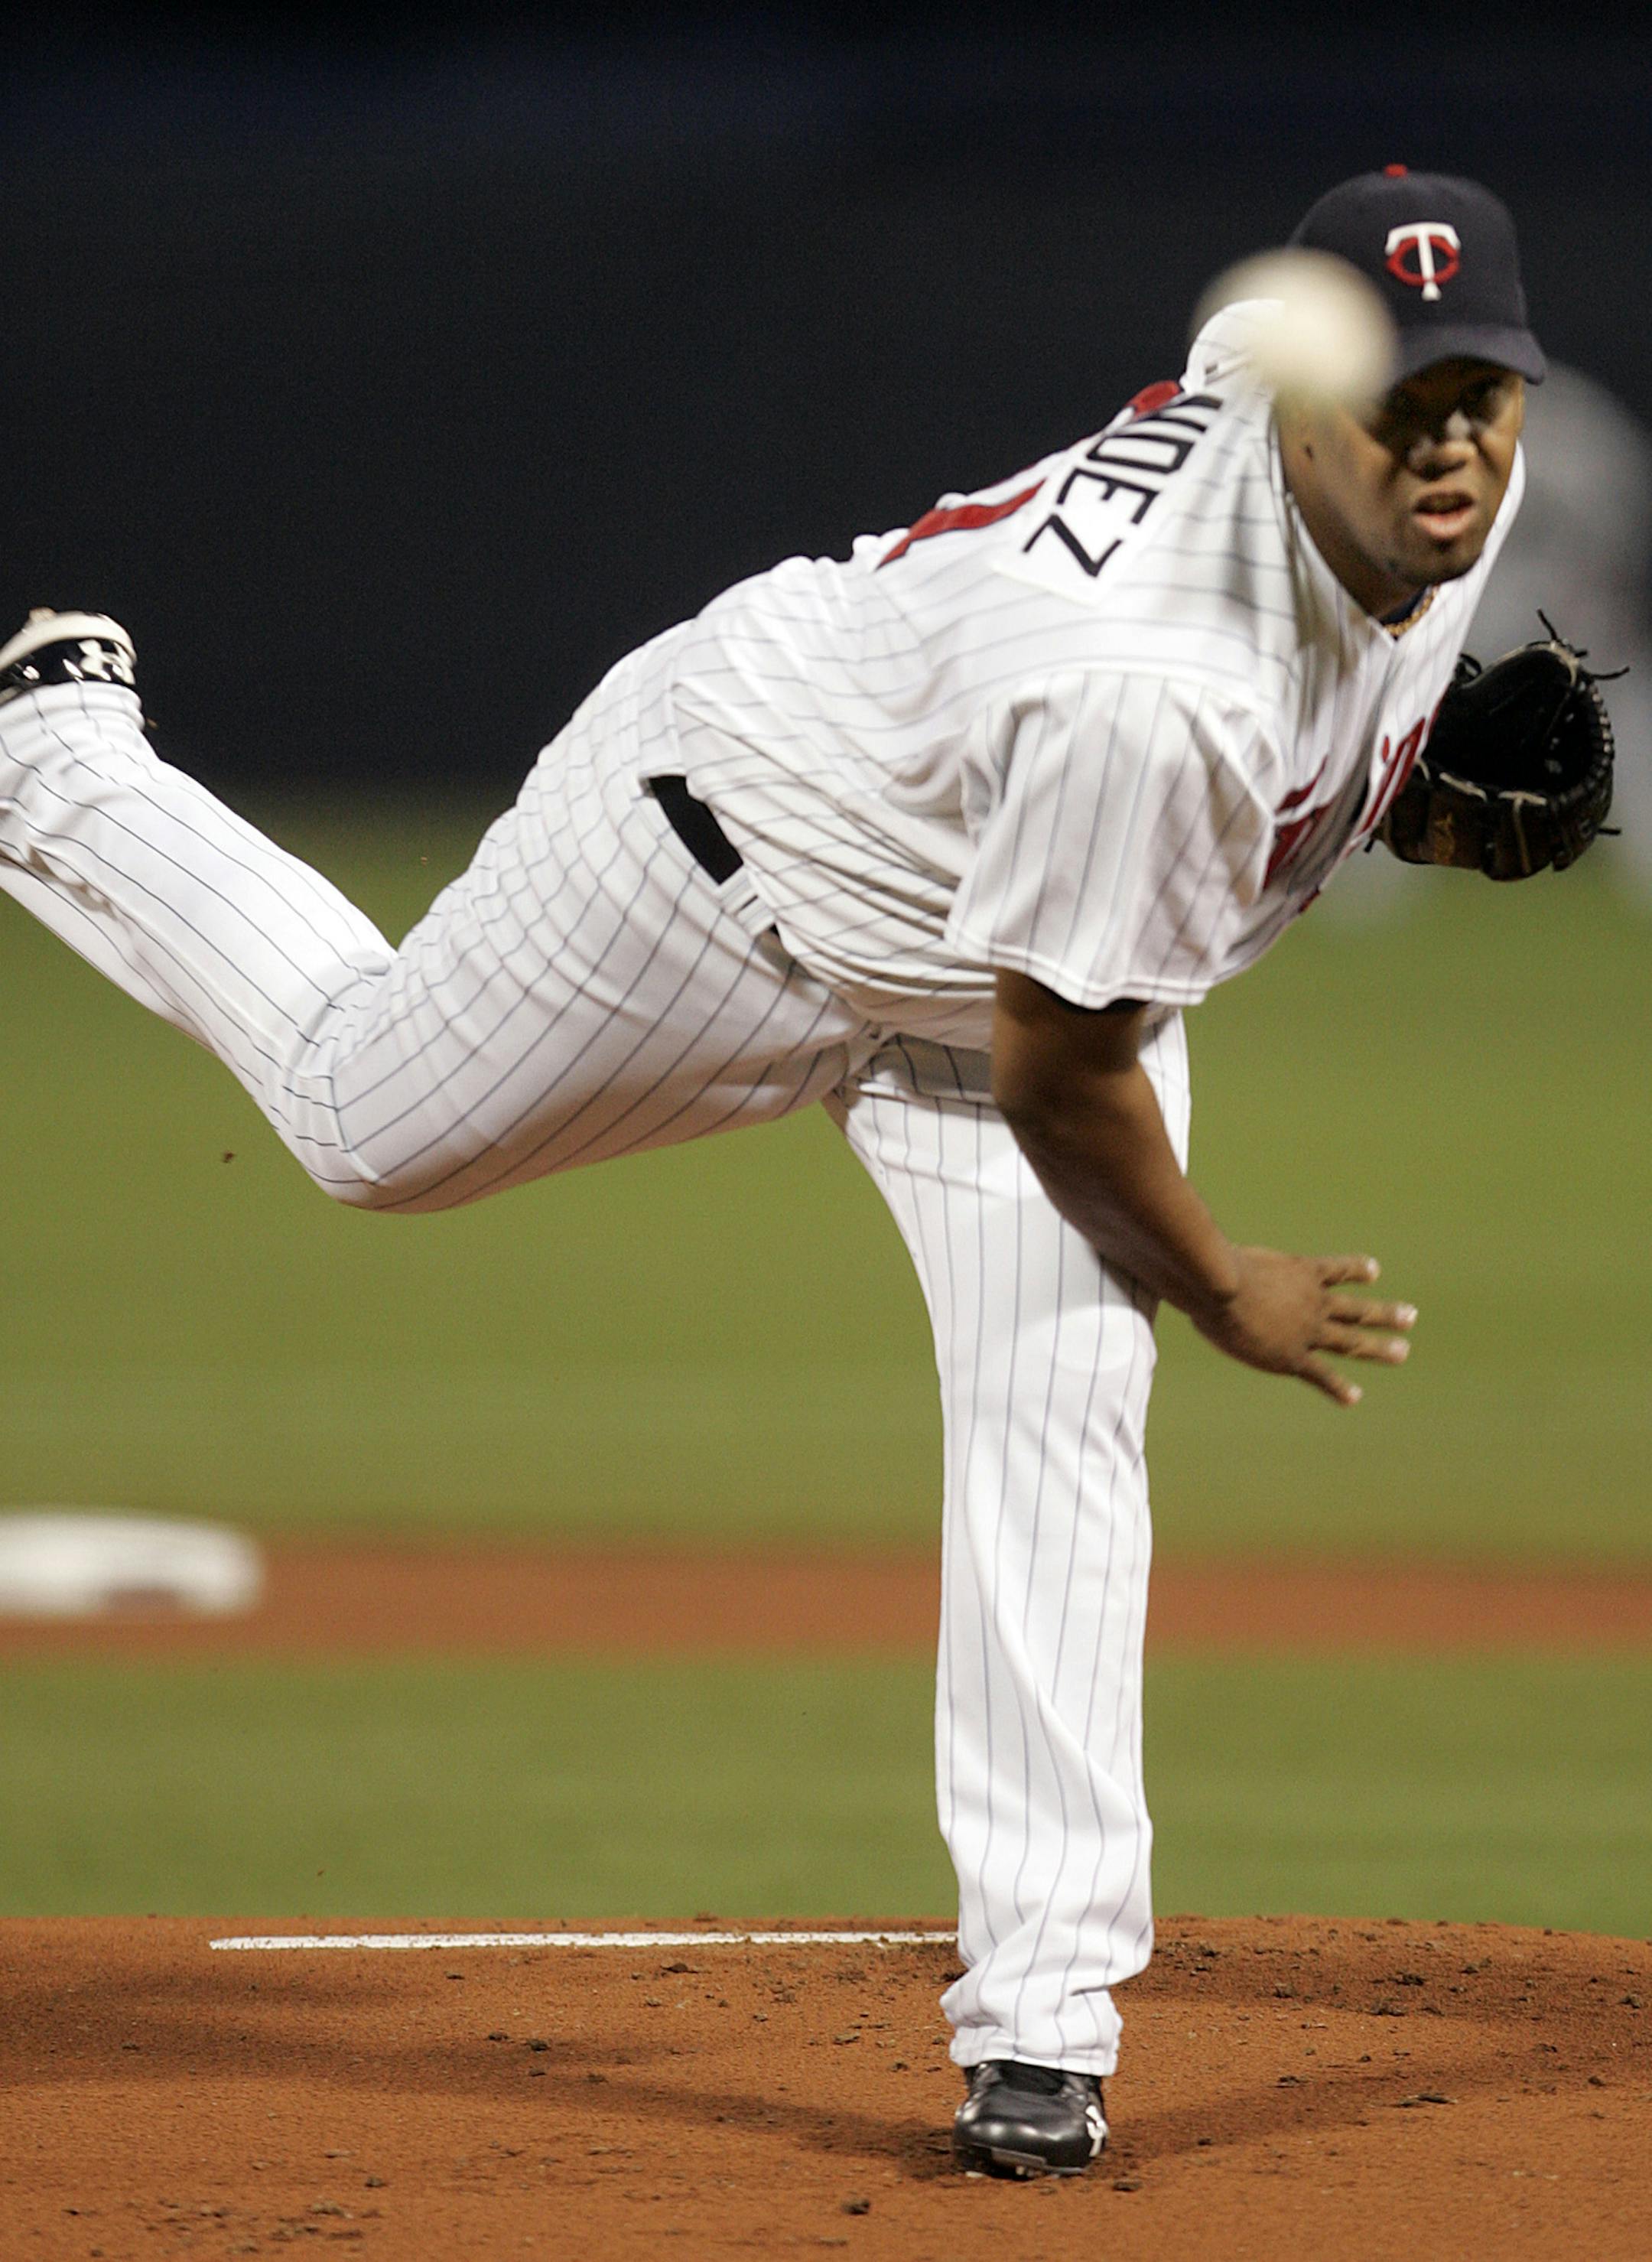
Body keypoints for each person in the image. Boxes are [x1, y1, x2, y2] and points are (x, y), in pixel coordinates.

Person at [0, 165, 1540, 2177]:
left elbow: (1288, 737)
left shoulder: (1405, 462)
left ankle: (1042, 2031)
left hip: (985, 936)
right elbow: (1066, 1072)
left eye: (1481, 398)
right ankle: (60, 766)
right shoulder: (1150, 685)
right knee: (366, 1122)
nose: (1450, 449)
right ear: (1306, 418)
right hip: (724, 860)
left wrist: (1412, 794)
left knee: (1061, 1415)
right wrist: (1220, 1272)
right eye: (1405, 406)